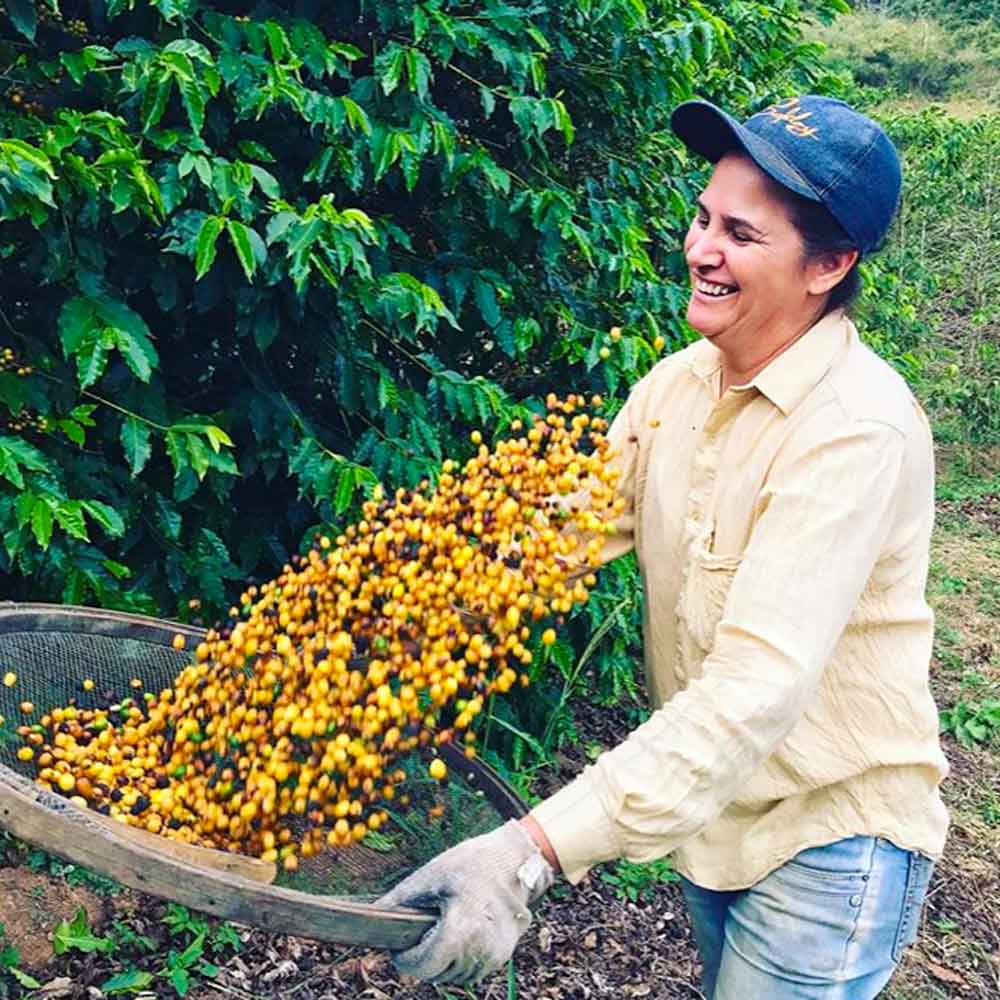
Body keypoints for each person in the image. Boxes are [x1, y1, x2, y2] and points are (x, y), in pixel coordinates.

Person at [378, 95, 950, 999]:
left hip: (829, 833)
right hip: (716, 815)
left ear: (829, 265)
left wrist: (527, 853)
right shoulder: (678, 385)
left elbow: (751, 691)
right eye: (703, 218)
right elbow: (557, 539)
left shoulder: (854, 431)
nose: (701, 250)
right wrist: (392, 619)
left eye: (741, 235)